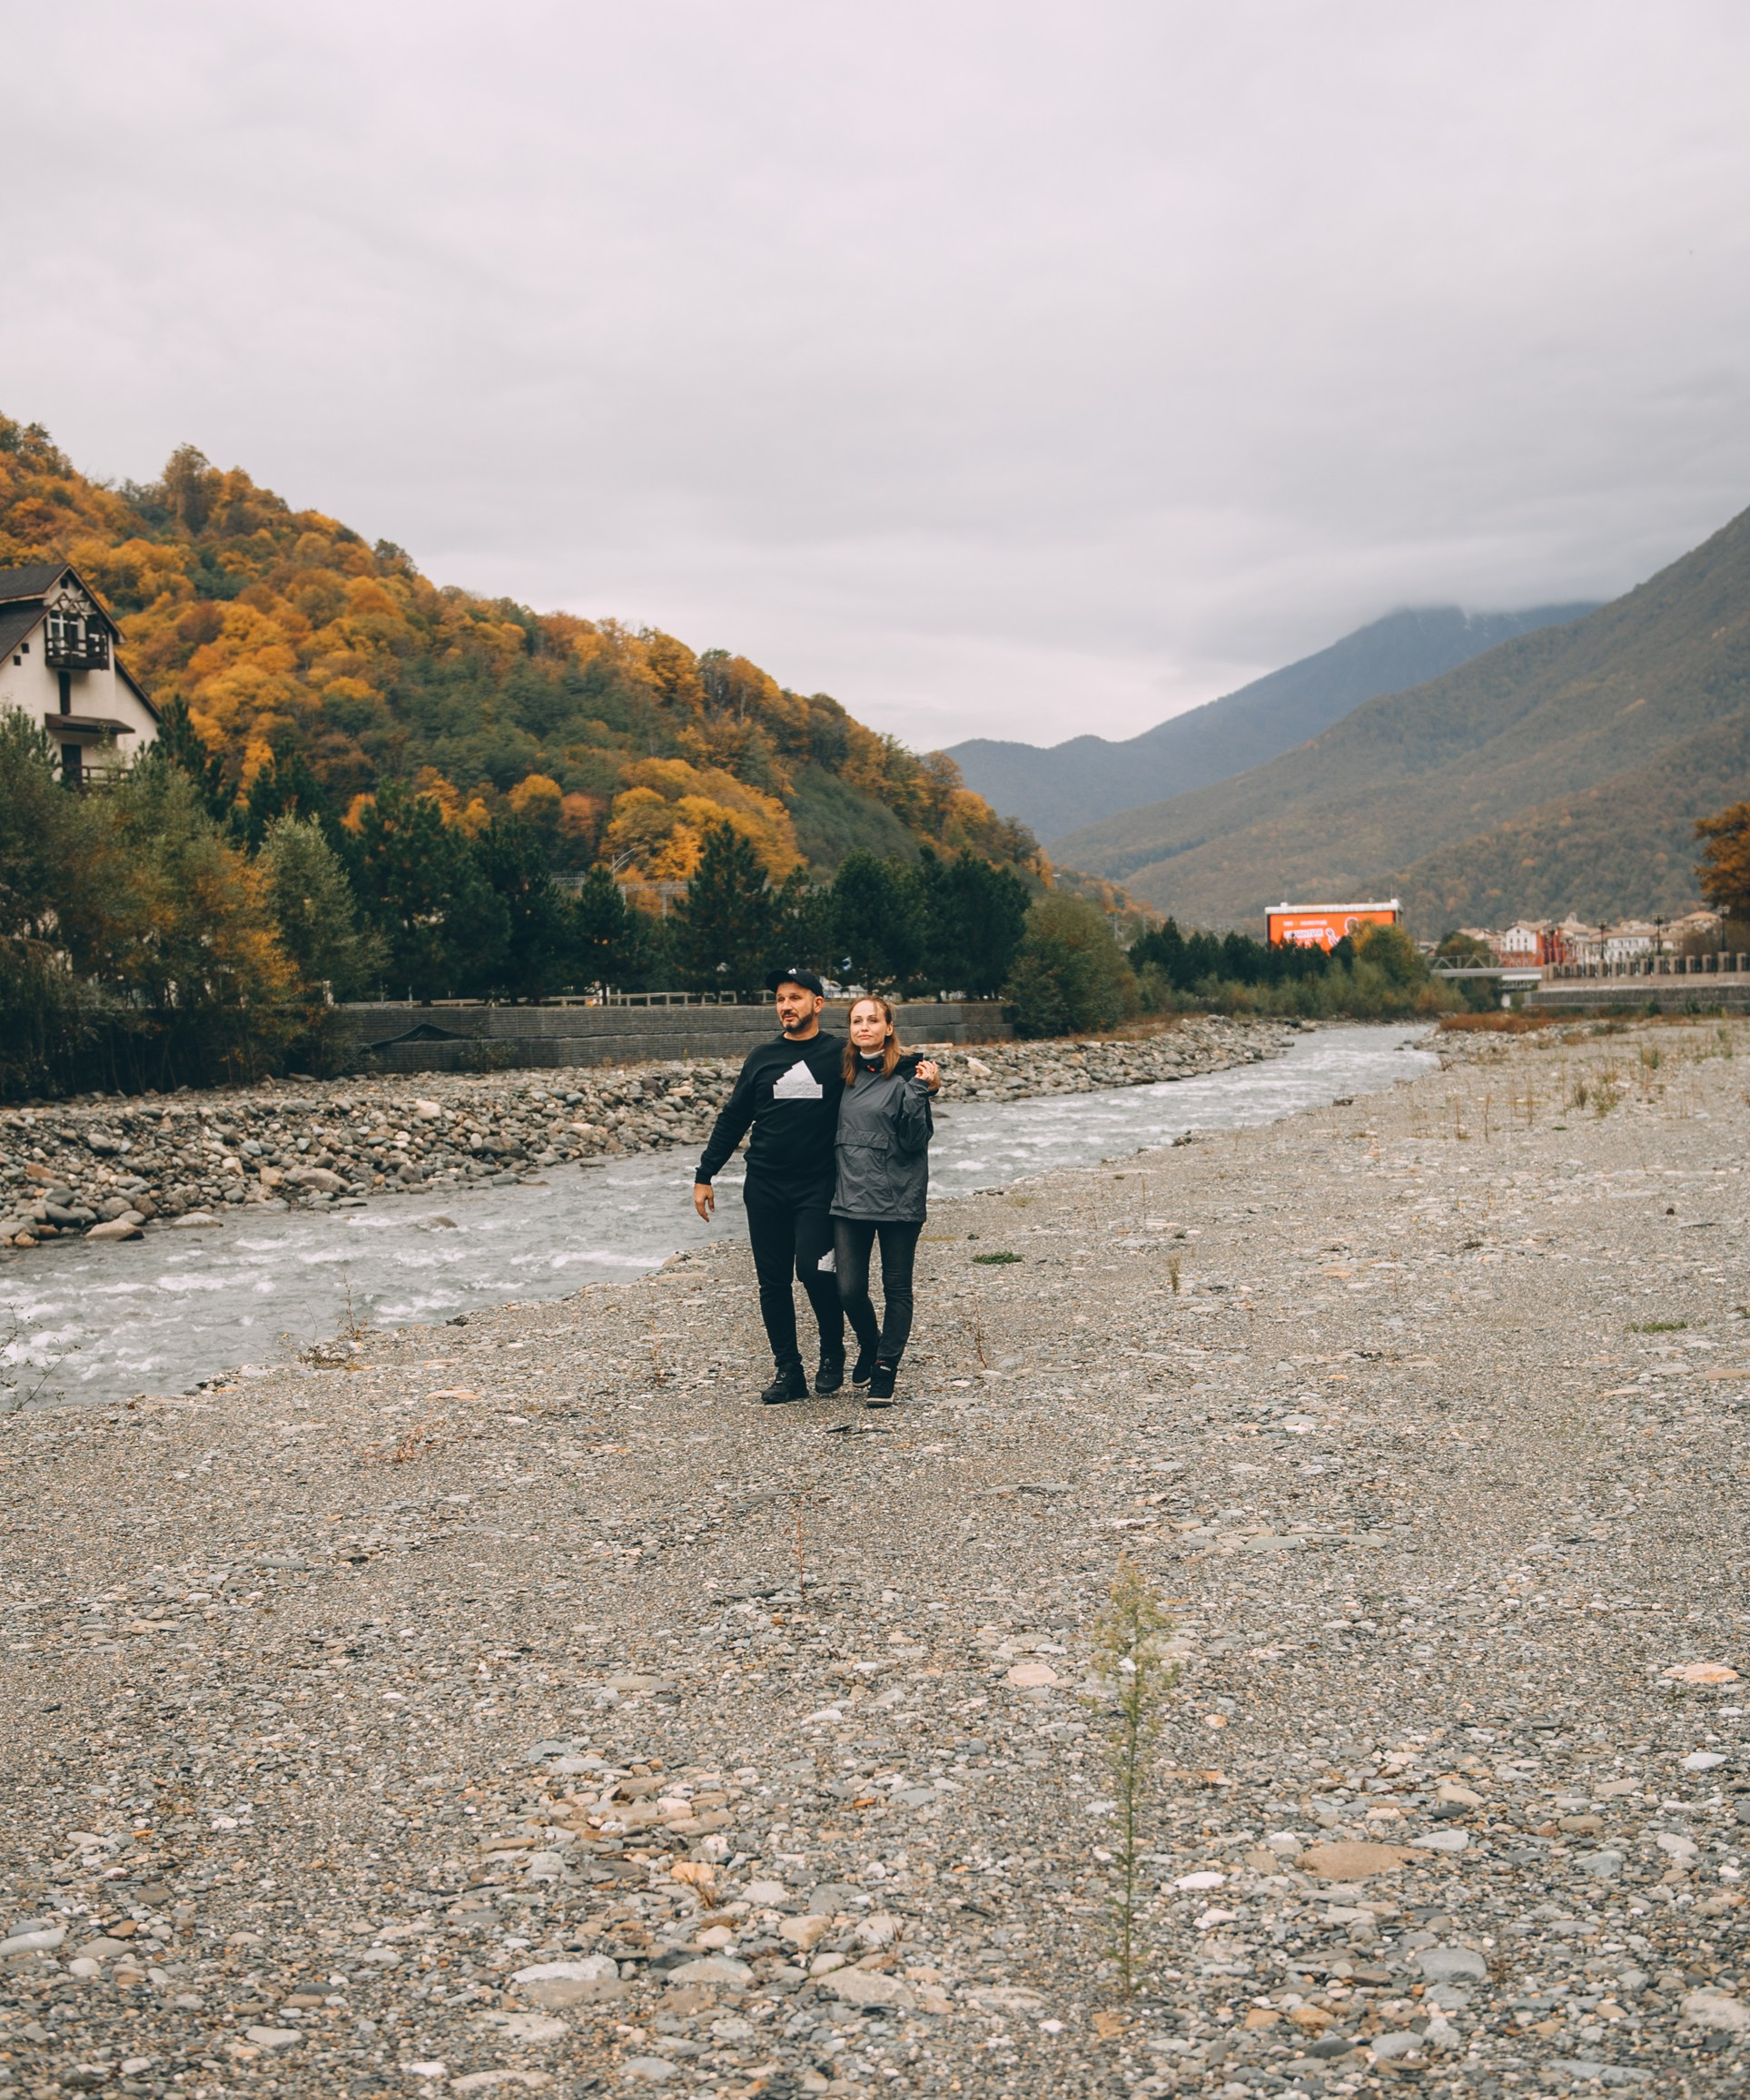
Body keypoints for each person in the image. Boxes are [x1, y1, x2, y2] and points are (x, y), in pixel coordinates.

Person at [694, 967, 847, 1404]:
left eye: (796, 997)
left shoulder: (840, 1054)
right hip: (764, 1186)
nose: (786, 1006)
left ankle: (832, 1354)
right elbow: (732, 1119)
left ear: (817, 1004)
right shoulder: (761, 1058)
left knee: (816, 1273)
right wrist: (705, 1174)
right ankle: (789, 1370)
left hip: (817, 1186)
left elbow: (888, 1067)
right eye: (780, 999)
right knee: (772, 1282)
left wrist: (927, 1081)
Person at [832, 996, 940, 1405]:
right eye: (857, 1021)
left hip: (899, 1199)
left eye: (873, 1020)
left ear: (889, 1027)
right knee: (848, 1289)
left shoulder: (911, 1075)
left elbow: (915, 1140)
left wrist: (919, 1090)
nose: (864, 1027)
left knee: (897, 1289)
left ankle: (885, 1370)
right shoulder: (841, 1074)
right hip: (848, 1197)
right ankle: (870, 1342)